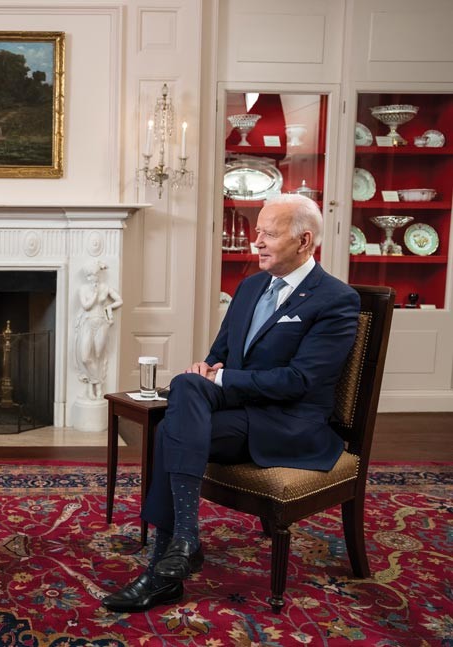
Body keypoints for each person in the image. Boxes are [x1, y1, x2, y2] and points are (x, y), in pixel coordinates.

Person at [101, 194, 360, 613]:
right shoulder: (250, 286)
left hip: (287, 424)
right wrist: (207, 367)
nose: (256, 241)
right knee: (187, 385)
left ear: (304, 241)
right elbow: (219, 353)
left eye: (269, 234)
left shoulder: (336, 300)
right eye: (257, 231)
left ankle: (167, 565)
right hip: (240, 411)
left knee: (170, 430)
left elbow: (300, 381)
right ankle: (183, 541)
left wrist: (219, 377)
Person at [73, 260, 123, 400]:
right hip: (88, 323)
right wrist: (95, 294)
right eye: (89, 276)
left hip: (101, 323)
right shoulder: (83, 289)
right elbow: (86, 306)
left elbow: (119, 300)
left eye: (94, 275)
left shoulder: (105, 287)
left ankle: (92, 386)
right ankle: (97, 383)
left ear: (98, 275)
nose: (91, 278)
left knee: (98, 355)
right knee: (85, 357)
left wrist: (109, 307)